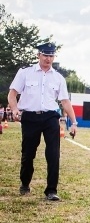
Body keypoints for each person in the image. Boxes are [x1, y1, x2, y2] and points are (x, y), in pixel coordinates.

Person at [7, 42, 78, 201]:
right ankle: (25, 183)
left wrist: (74, 122)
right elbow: (12, 94)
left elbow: (65, 101)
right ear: (38, 55)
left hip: (50, 117)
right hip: (30, 118)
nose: (48, 58)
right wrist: (15, 109)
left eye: (51, 56)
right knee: (28, 154)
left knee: (53, 153)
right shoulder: (25, 73)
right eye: (45, 55)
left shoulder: (58, 77)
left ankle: (51, 190)